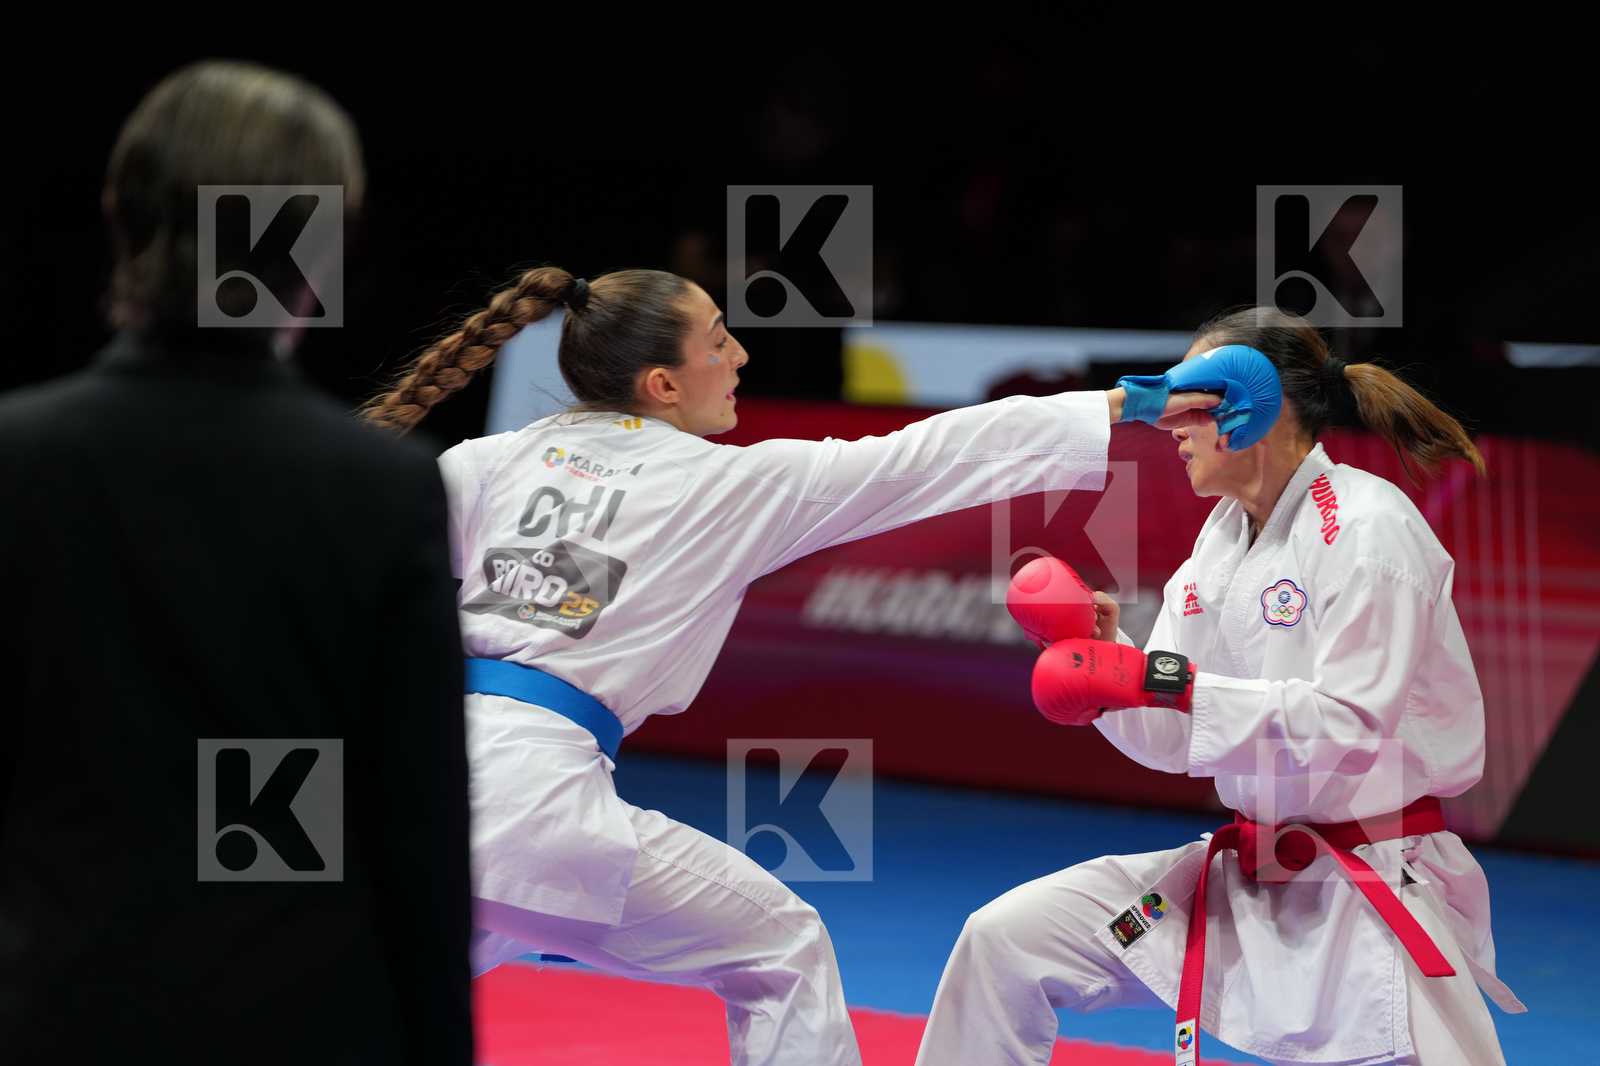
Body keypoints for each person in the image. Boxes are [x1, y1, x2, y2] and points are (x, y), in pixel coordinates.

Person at [359, 265, 1220, 1065]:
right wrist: (1118, 406)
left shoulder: (482, 462)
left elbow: (350, 596)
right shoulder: (722, 484)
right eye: (718, 340)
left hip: (419, 786)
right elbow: (926, 459)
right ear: (661, 385)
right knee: (780, 947)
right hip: (540, 806)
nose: (740, 354)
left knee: (367, 1004)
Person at [0, 62, 472, 1063]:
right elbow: (418, 834)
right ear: (326, 248)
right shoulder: (382, 489)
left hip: (56, 1008)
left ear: (120, 217)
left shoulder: (21, 457)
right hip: (309, 1023)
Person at [914, 308, 1526, 1066]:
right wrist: (1107, 666)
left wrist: (1158, 678)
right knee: (1006, 940)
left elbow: (1344, 724)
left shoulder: (1368, 527)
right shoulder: (1220, 543)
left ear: (1249, 406)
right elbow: (1174, 737)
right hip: (1245, 879)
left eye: (1190, 405)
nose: (1172, 426)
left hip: (1367, 896)